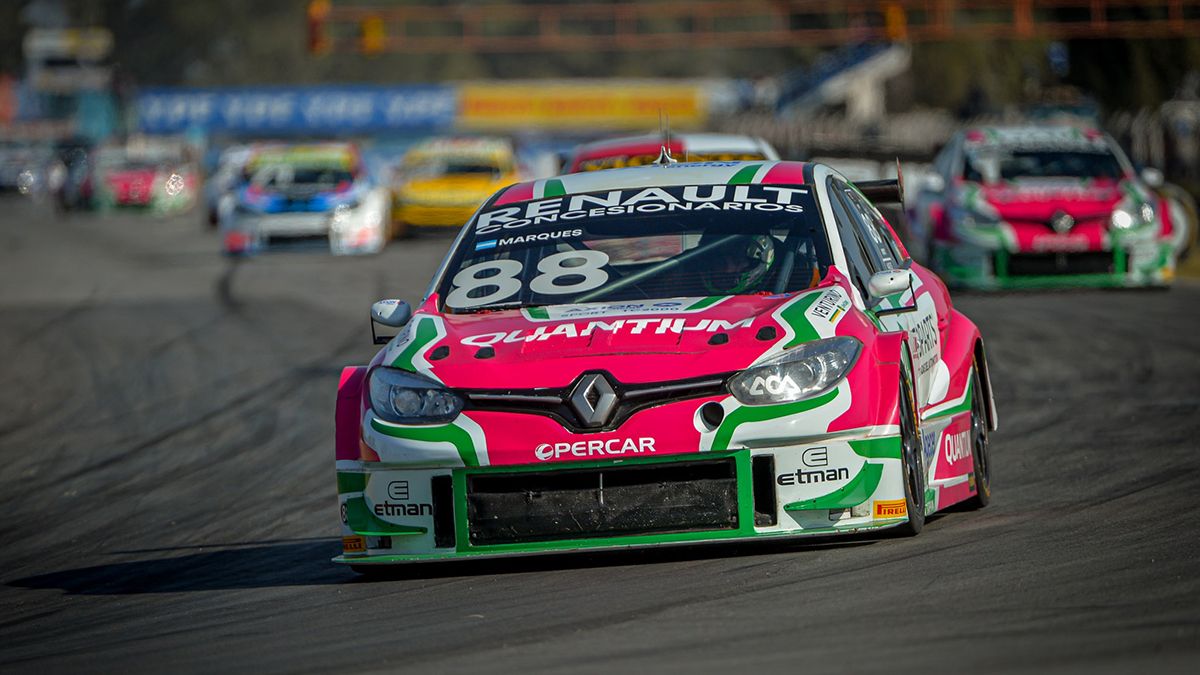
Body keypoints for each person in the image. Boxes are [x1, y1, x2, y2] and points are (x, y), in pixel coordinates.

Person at [697, 234, 777, 294]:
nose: (727, 269)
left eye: (737, 261)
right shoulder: (687, 296)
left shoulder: (776, 301)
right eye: (720, 262)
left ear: (753, 263)